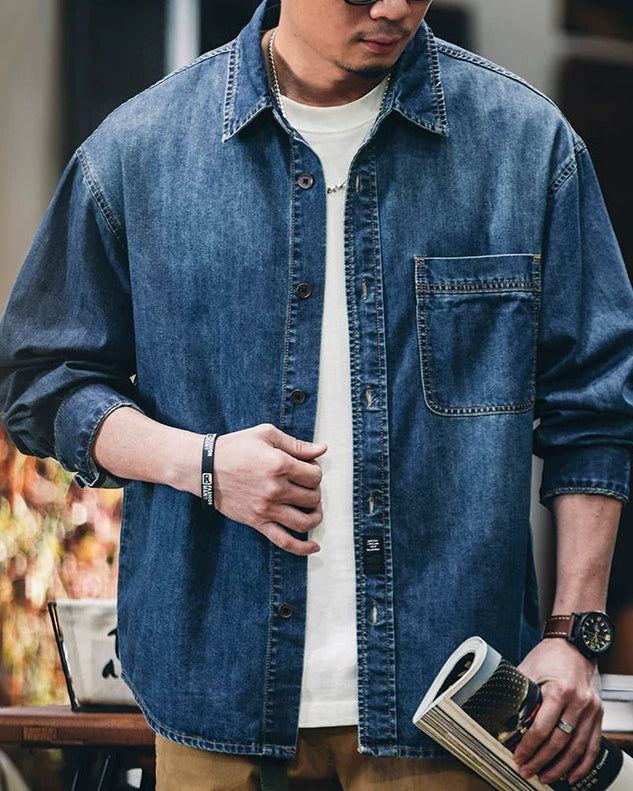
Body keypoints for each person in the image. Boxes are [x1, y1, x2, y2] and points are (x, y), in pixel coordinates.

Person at [1, 0, 633, 788]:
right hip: (213, 698)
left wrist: (574, 633)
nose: (393, 8)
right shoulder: (142, 149)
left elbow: (597, 406)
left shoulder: (525, 146)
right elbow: (40, 380)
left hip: (447, 704)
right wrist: (199, 462)